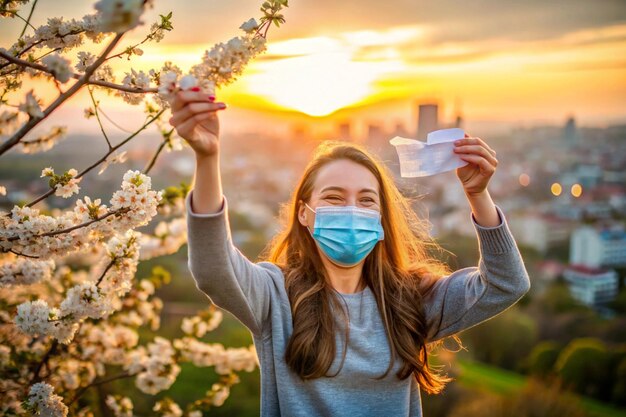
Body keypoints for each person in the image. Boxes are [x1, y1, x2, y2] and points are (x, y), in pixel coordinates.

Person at [168, 88, 531, 417]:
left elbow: (505, 284)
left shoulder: (411, 300)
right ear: (305, 214)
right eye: (334, 197)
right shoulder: (275, 297)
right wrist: (207, 157)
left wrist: (478, 195)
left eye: (366, 201)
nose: (352, 210)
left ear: (381, 220)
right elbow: (214, 270)